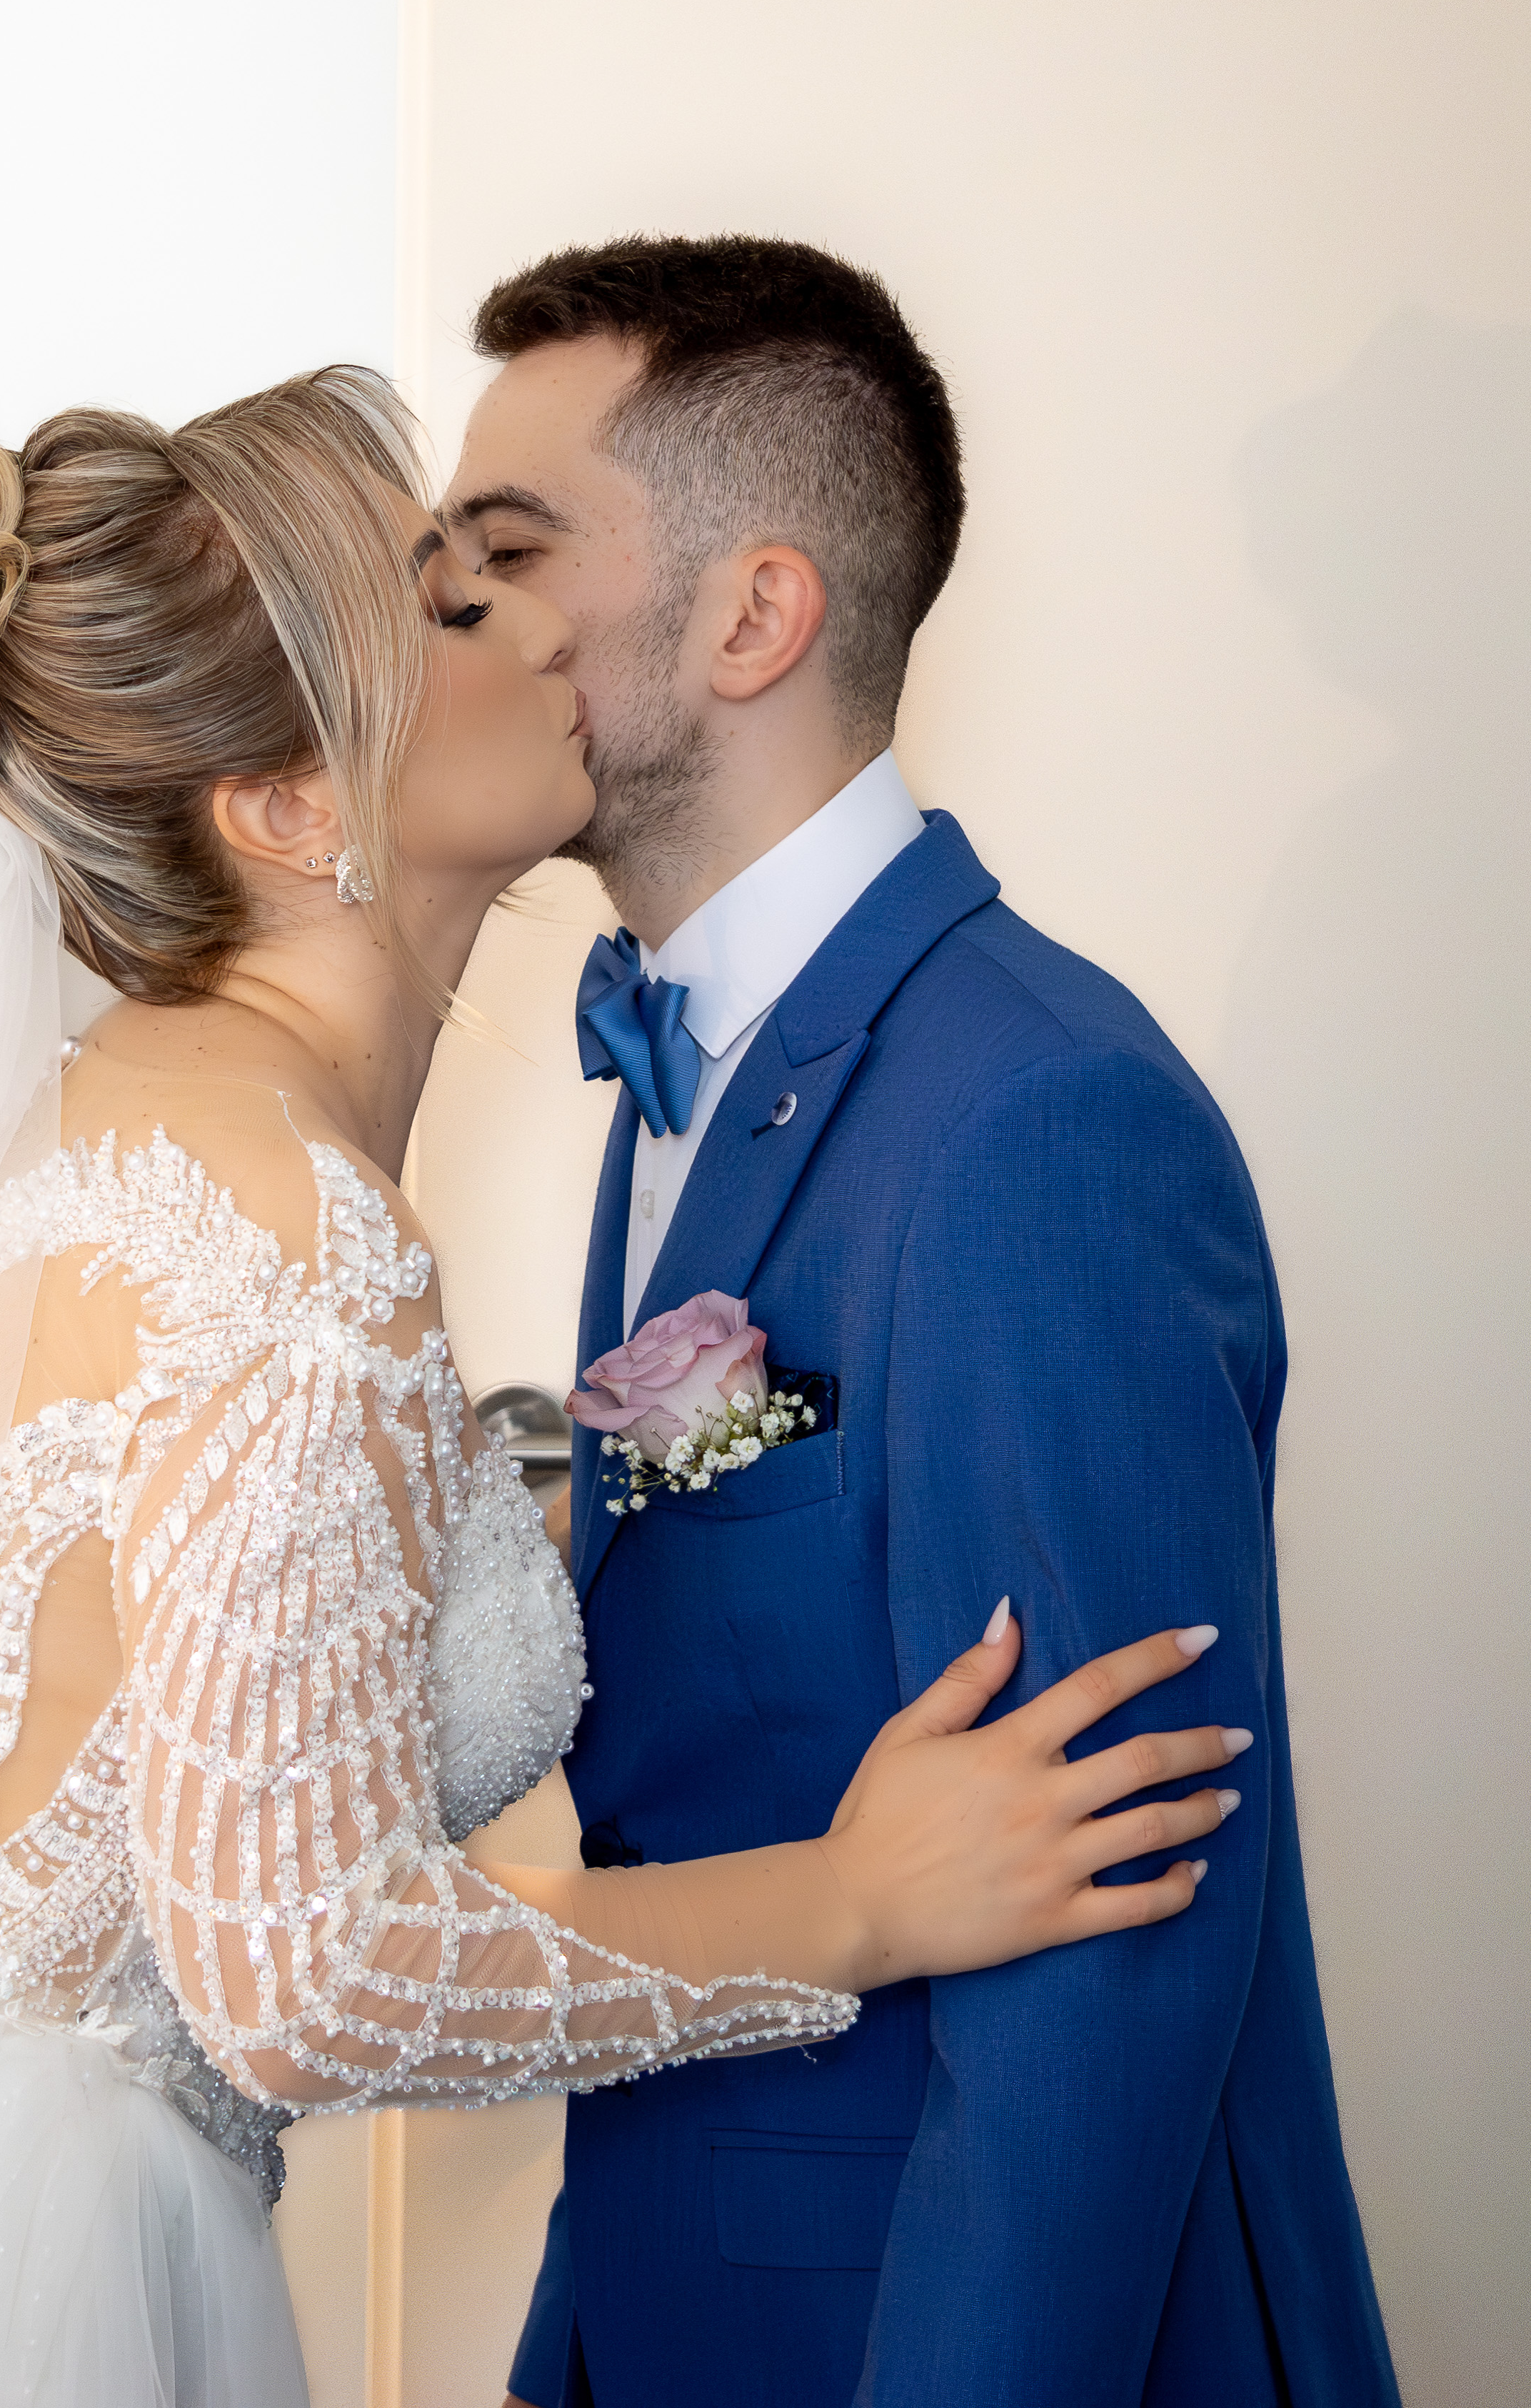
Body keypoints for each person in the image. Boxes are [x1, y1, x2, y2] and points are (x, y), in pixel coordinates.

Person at [0, 367, 1247, 2407]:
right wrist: (853, 1903)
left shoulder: (99, 1130)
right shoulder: (286, 1236)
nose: (535, 625)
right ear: (290, 808)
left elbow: (208, 1634)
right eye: (442, 603)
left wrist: (588, 1468)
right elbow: (301, 1977)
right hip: (28, 2279)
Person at [441, 236, 1401, 2408]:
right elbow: (692, 1763)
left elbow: (1111, 1948)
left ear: (752, 616)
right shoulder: (694, 1059)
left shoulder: (1036, 1122)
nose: (458, 621)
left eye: (508, 553)